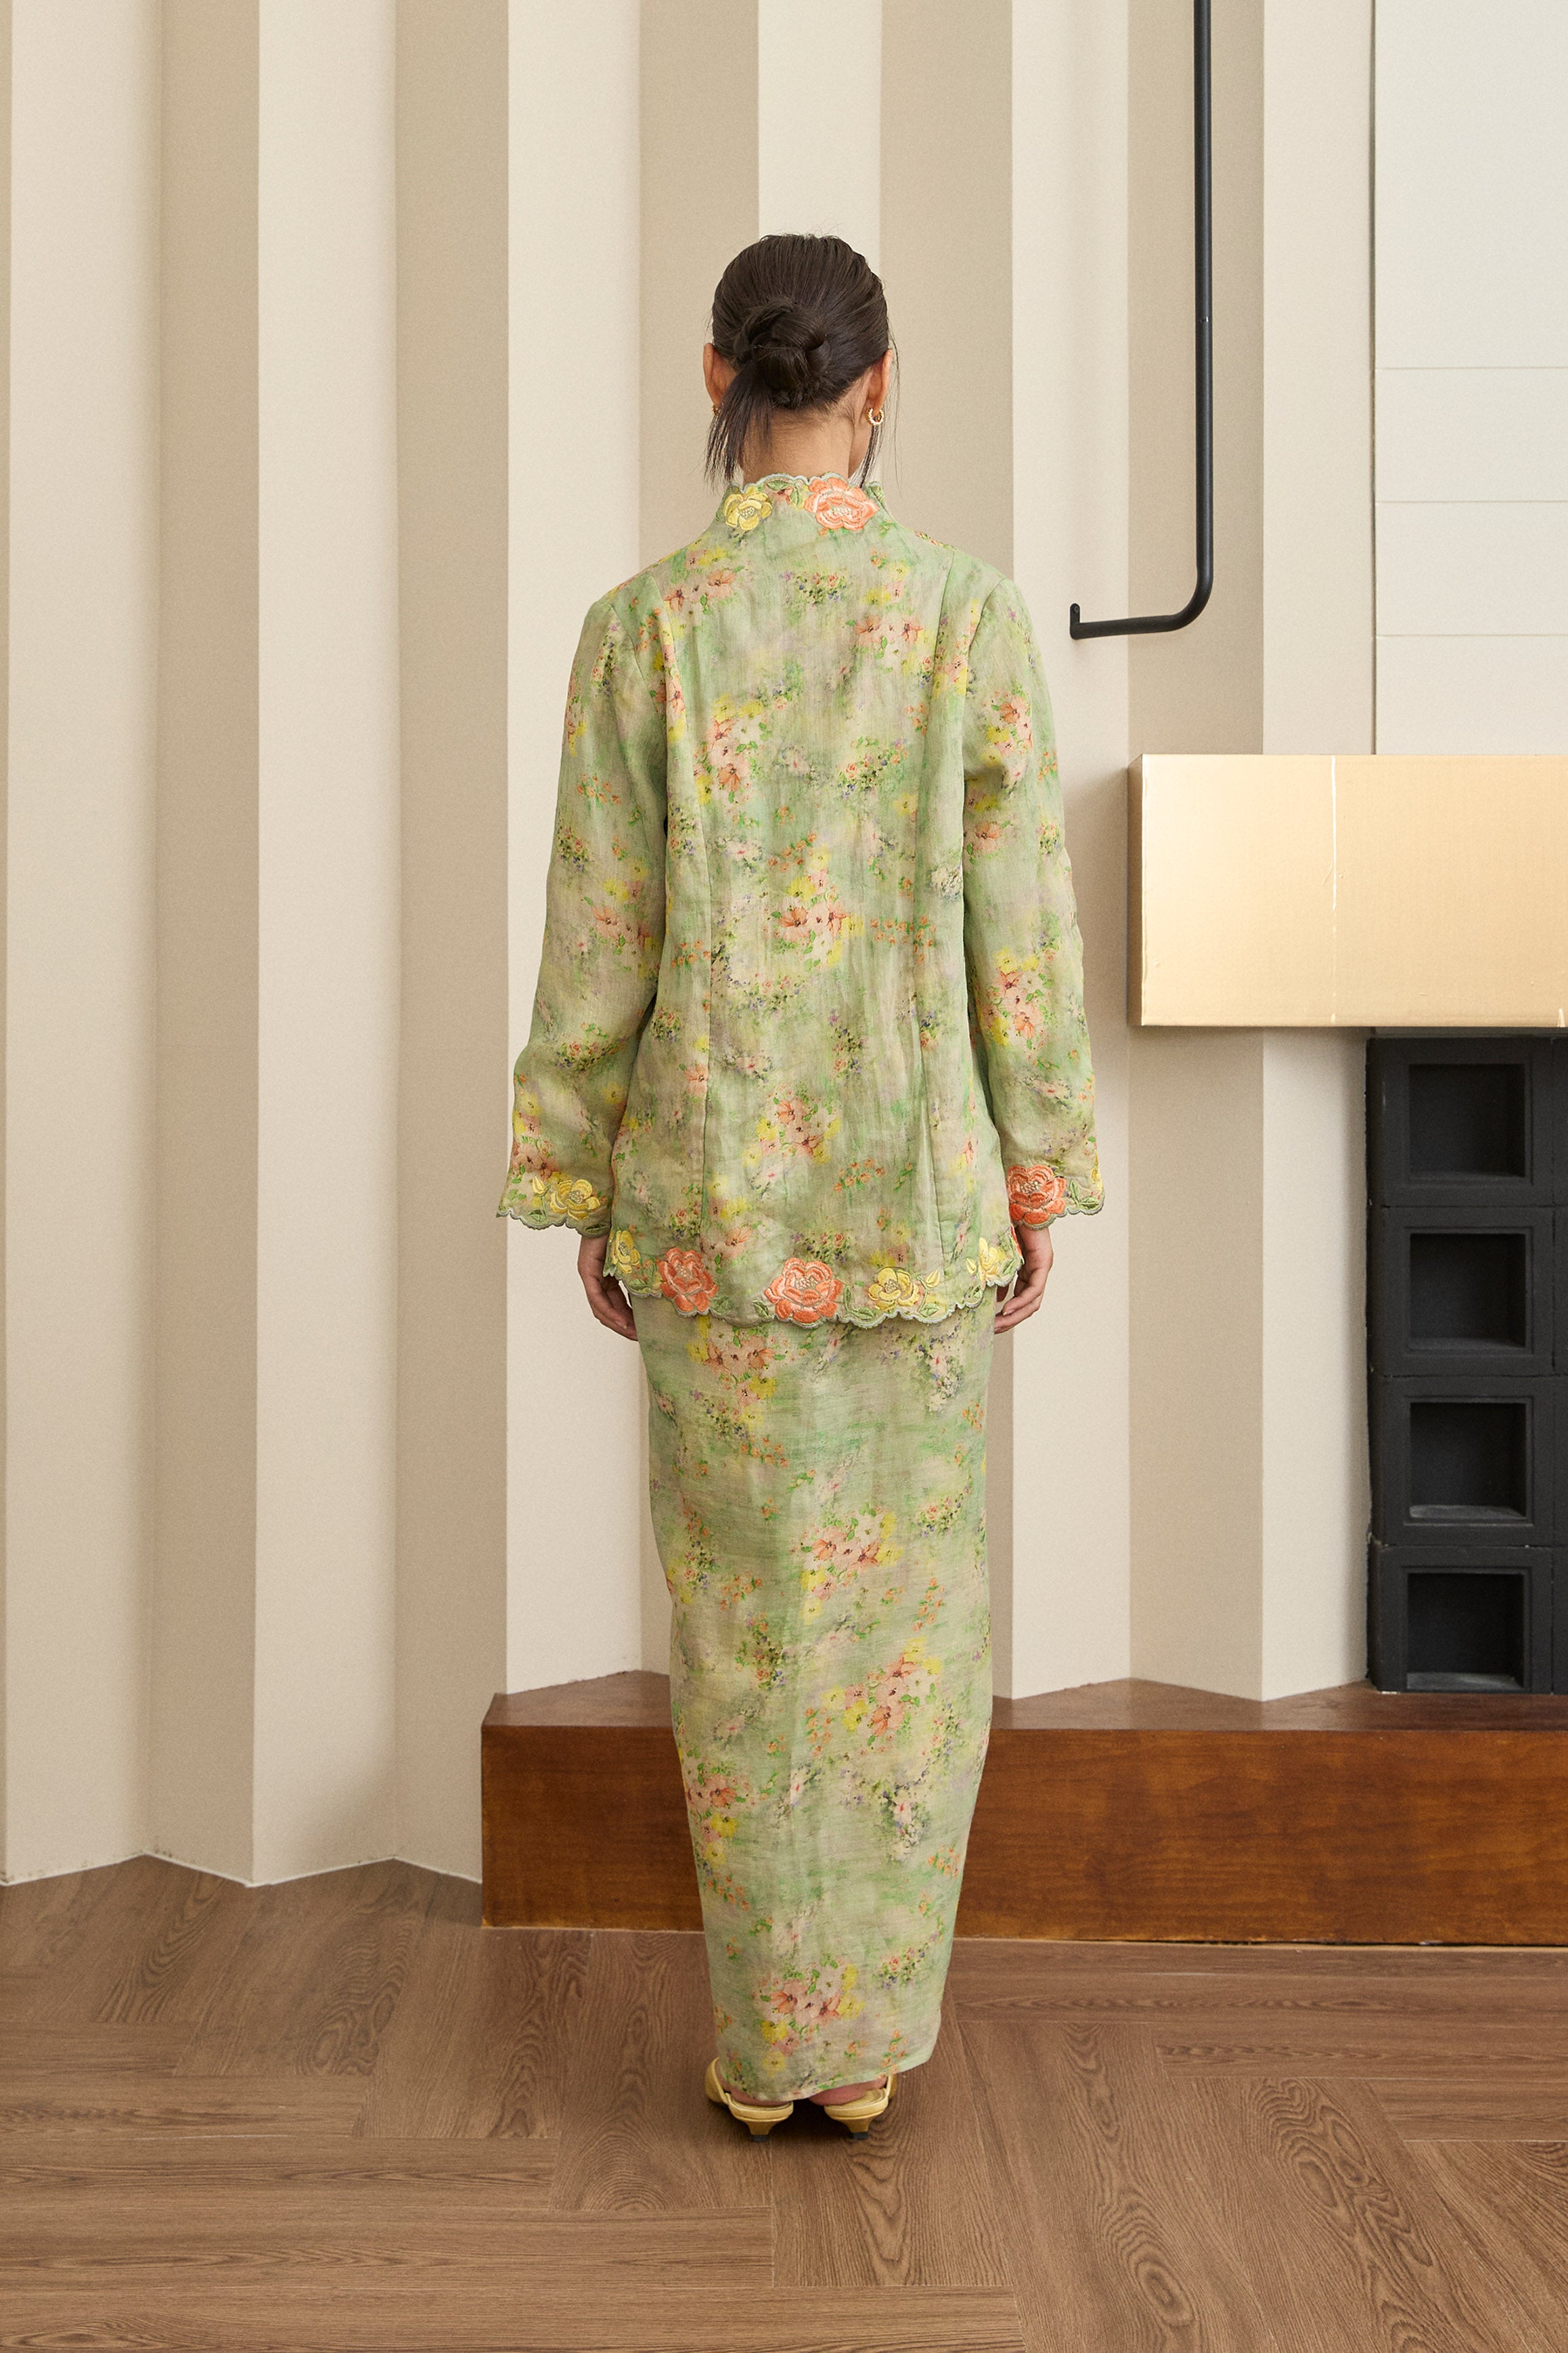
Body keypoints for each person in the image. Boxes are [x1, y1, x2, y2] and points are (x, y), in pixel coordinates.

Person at [499, 233, 1100, 2138]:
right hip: (917, 1212)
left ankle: (772, 2045)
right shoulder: (965, 619)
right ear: (880, 385)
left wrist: (580, 1178)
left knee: (748, 1642)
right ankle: (864, 2052)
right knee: (908, 1646)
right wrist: (1036, 1172)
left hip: (714, 1213)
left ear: (716, 378)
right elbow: (1025, 934)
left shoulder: (642, 630)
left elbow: (598, 938)